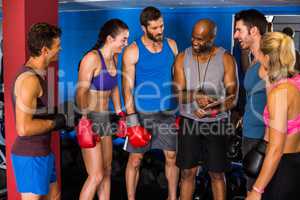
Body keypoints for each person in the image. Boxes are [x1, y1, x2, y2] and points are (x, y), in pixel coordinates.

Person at [174, 19, 237, 200]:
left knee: (217, 174)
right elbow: (178, 94)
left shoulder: (225, 58)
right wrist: (196, 96)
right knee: (187, 173)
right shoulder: (182, 57)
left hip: (217, 123)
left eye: (201, 39)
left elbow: (233, 97)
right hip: (190, 122)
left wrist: (212, 109)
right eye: (193, 37)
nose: (195, 42)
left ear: (212, 38)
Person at [122, 6, 179, 200]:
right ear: (143, 28)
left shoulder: (172, 45)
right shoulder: (133, 51)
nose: (160, 31)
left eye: (161, 26)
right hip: (142, 114)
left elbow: (177, 79)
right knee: (136, 159)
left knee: (171, 157)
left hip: (168, 112)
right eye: (154, 28)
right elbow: (127, 88)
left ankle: (172, 197)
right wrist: (132, 121)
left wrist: (181, 108)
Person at [11, 23, 66, 200]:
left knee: (55, 196)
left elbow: (38, 112)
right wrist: (56, 122)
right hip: (30, 155)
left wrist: (63, 114)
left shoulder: (39, 75)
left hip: (43, 152)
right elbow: (24, 128)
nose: (60, 49)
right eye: (57, 46)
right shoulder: (29, 80)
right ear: (45, 50)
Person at [76, 19, 129, 200]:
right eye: (123, 39)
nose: (126, 43)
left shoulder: (114, 57)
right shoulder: (91, 58)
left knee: (107, 170)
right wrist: (84, 121)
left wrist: (120, 113)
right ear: (109, 39)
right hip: (90, 118)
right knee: (96, 175)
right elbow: (81, 91)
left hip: (105, 119)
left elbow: (114, 86)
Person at [246, 32, 300, 200]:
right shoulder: (295, 82)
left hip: (283, 167)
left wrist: (256, 190)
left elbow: (276, 149)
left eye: (260, 55)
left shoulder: (280, 94)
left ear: (268, 58)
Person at [233, 9, 269, 192]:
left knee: (258, 191)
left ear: (253, 31)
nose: (235, 35)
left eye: (239, 30)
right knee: (250, 187)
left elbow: (280, 103)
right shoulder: (253, 58)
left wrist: (267, 140)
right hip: (250, 134)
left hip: (262, 139)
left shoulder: (268, 61)